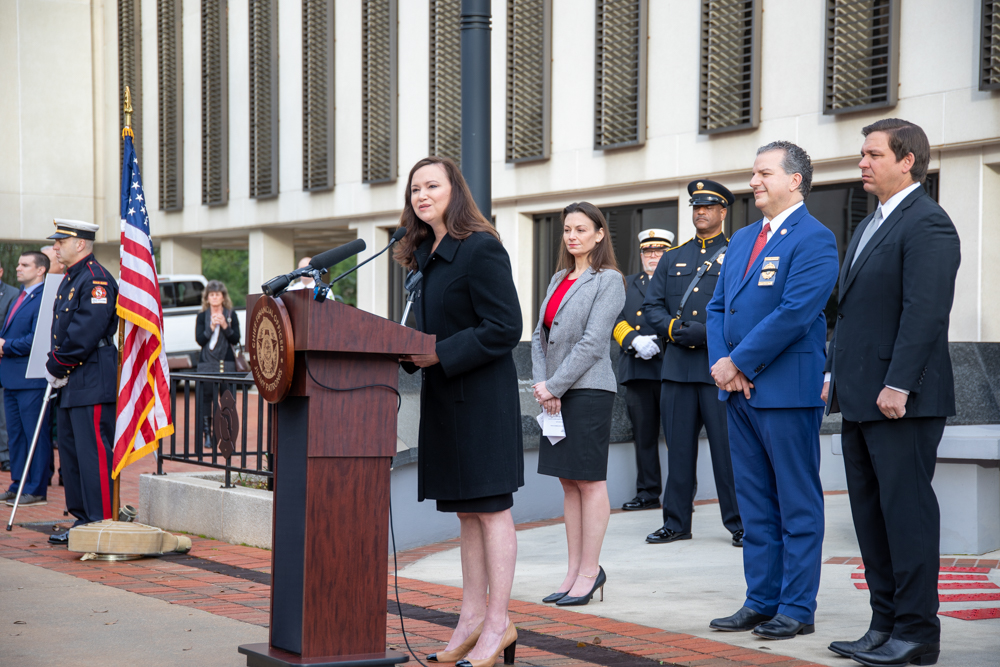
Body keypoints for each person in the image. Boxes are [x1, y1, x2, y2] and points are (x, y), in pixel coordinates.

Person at [824, 120, 960, 667]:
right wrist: (836, 373)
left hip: (901, 400)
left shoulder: (928, 223)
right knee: (871, 517)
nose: (862, 162)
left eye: (872, 154)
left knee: (907, 518)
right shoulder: (868, 225)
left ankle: (918, 634)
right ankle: (884, 625)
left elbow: (924, 312)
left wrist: (898, 383)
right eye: (862, 153)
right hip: (860, 398)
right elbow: (852, 312)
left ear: (907, 161)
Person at [706, 142, 838, 639]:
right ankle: (761, 599)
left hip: (786, 392)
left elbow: (796, 313)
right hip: (737, 392)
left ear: (795, 179)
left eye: (764, 173)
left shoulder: (815, 238)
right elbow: (719, 308)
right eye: (753, 173)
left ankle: (797, 608)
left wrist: (738, 361)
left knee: (796, 504)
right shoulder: (741, 239)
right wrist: (725, 367)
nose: (754, 182)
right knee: (756, 504)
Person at [394, 156, 523, 667]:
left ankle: (499, 623)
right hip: (446, 401)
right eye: (415, 189)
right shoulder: (426, 255)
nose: (422, 195)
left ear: (455, 191)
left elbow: (505, 326)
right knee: (468, 515)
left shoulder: (480, 249)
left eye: (432, 185)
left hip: (482, 403)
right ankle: (470, 618)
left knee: (492, 512)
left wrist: (440, 352)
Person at [532, 202, 626, 608]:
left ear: (599, 233)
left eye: (582, 229)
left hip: (588, 390)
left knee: (589, 481)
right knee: (567, 482)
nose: (573, 236)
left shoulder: (609, 280)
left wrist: (554, 385)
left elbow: (592, 342)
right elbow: (539, 336)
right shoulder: (557, 278)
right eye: (568, 230)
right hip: (555, 392)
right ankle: (572, 572)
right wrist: (543, 384)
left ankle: (591, 571)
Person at [642, 180, 744, 547]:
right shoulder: (672, 257)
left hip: (719, 369)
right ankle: (676, 522)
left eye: (708, 207)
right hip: (677, 370)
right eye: (696, 207)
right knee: (679, 451)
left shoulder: (737, 253)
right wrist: (672, 328)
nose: (700, 212)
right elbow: (650, 307)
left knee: (727, 453)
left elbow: (744, 307)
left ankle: (739, 523)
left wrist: (709, 333)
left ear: (722, 212)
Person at [44, 220, 120, 545]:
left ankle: (100, 523)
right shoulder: (72, 278)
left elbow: (85, 331)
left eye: (62, 241)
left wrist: (57, 363)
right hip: (74, 377)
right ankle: (82, 519)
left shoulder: (96, 279)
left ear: (81, 244)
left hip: (89, 375)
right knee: (72, 453)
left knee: (93, 453)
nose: (56, 247)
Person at [614, 228, 673, 512]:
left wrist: (661, 341)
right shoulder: (625, 283)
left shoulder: (678, 283)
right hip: (637, 368)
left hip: (671, 370)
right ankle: (648, 492)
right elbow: (613, 317)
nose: (653, 256)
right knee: (644, 436)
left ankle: (680, 494)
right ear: (641, 255)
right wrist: (632, 339)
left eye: (659, 251)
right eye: (648, 252)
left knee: (678, 436)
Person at [1, 252, 51, 506]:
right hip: (11, 378)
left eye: (25, 265)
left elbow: (37, 339)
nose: (18, 268)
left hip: (31, 379)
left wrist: (5, 346)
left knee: (35, 435)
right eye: (18, 264)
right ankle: (18, 483)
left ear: (40, 270)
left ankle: (36, 488)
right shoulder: (20, 296)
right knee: (16, 436)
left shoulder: (44, 298)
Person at [195, 281, 241, 448]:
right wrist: (211, 327)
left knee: (227, 400)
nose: (214, 297)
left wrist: (224, 326)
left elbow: (236, 339)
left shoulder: (230, 314)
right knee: (206, 400)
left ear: (223, 297)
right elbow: (200, 340)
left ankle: (225, 434)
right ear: (207, 298)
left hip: (226, 363)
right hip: (207, 364)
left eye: (217, 294)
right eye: (211, 294)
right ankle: (208, 435)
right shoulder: (202, 316)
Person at [0, 261, 17, 473]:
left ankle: (5, 455)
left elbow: (12, 327)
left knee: (3, 412)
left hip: (4, 359)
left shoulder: (13, 295)